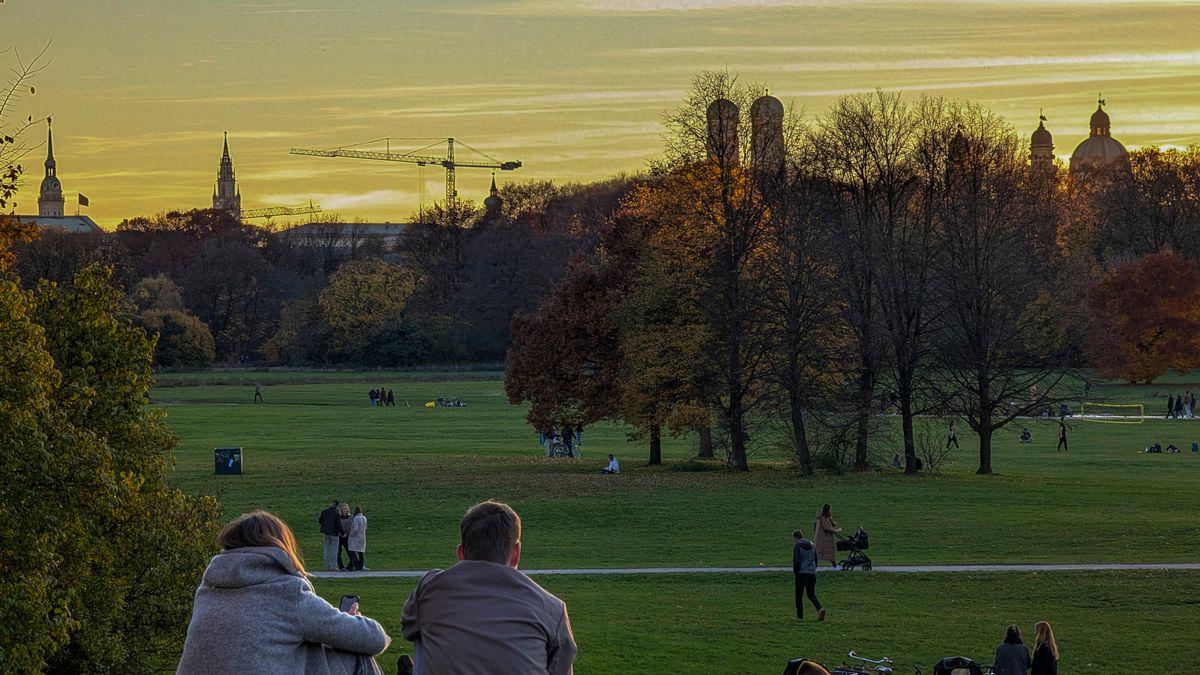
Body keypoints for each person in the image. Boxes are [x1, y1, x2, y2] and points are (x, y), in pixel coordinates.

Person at [177, 511, 390, 674]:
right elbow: (375, 639)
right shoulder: (288, 591)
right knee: (358, 656)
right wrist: (353, 621)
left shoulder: (208, 590)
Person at [399, 500, 577, 674]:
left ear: (460, 553)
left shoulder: (431, 587)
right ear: (515, 553)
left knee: (423, 630)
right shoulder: (551, 608)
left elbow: (408, 628)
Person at [791, 529, 825, 621]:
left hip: (802, 573)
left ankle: (800, 616)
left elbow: (796, 561)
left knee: (799, 595)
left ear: (795, 537)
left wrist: (796, 572)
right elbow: (816, 559)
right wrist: (814, 569)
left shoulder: (797, 545)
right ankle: (820, 608)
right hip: (812, 572)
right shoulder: (812, 545)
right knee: (811, 594)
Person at [318, 499, 341, 572]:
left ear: (331, 504)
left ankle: (327, 566)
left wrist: (325, 526)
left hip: (326, 533)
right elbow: (339, 524)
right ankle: (333, 566)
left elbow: (320, 520)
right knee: (334, 550)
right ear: (337, 505)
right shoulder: (336, 513)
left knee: (326, 550)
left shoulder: (324, 512)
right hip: (334, 534)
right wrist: (343, 533)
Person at [348, 506, 368, 571]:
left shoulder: (356, 518)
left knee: (352, 552)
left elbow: (355, 529)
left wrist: (351, 534)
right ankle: (360, 566)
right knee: (361, 553)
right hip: (362, 537)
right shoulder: (364, 518)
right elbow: (365, 528)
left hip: (356, 538)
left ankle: (351, 566)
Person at [337, 503, 353, 571]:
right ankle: (341, 567)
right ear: (341, 510)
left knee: (350, 552)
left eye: (346, 508)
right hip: (340, 536)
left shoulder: (351, 517)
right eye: (343, 508)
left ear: (348, 509)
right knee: (339, 552)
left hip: (348, 537)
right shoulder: (338, 517)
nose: (344, 510)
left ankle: (352, 565)